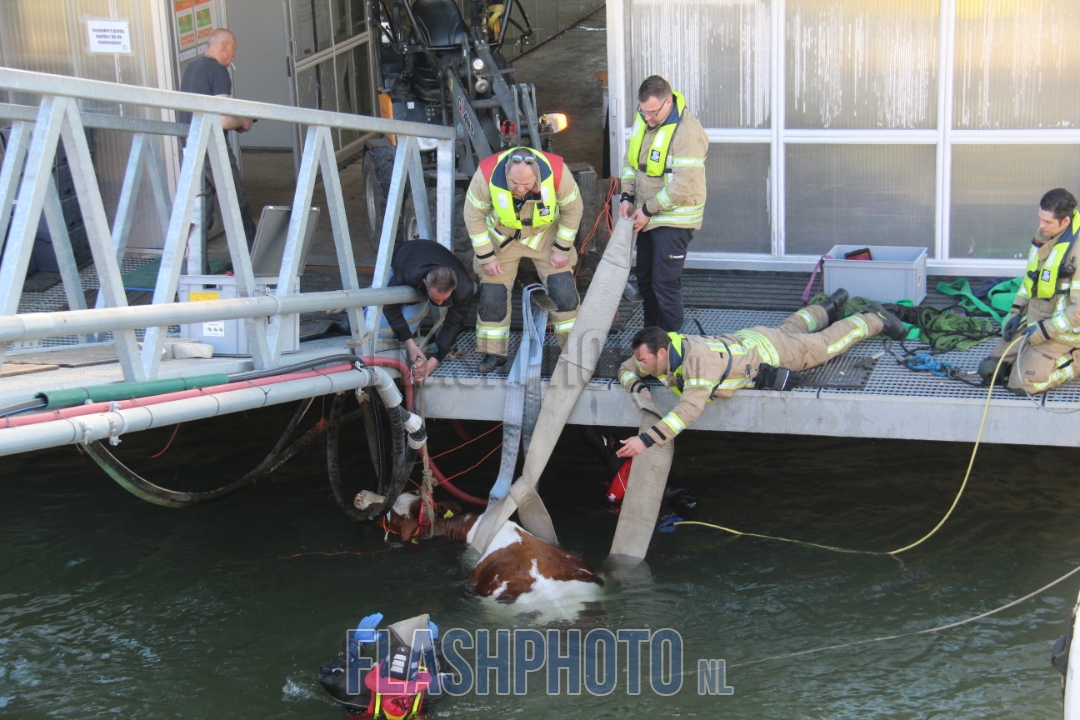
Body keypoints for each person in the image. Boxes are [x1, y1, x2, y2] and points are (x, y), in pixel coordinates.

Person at [614, 290, 908, 458]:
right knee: (791, 328)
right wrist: (637, 386)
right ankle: (829, 306)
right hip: (751, 339)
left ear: (661, 355)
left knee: (826, 345)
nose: (640, 364)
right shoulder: (667, 347)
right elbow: (626, 368)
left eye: (644, 361)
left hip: (775, 353)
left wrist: (646, 440)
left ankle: (871, 318)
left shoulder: (698, 366)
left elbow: (689, 409)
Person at [464, 146, 583, 373]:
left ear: (536, 174)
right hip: (504, 237)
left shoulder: (557, 172)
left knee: (563, 291)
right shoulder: (486, 175)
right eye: (514, 184)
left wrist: (562, 248)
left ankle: (573, 354)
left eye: (526, 185)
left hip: (544, 235)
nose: (520, 189)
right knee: (493, 295)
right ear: (506, 172)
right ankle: (493, 353)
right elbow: (473, 216)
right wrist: (486, 256)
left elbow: (573, 210)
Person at [618, 75, 709, 333]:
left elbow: (685, 185)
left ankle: (670, 349)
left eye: (653, 113)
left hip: (674, 218)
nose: (648, 118)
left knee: (665, 284)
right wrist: (627, 196)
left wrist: (647, 209)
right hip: (648, 214)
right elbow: (630, 162)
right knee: (645, 281)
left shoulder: (688, 133)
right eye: (643, 111)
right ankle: (651, 342)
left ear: (668, 102)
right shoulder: (645, 119)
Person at [978, 188, 1080, 395]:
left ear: (1065, 223)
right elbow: (1029, 282)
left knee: (1022, 384)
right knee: (991, 371)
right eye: (1040, 219)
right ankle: (1030, 356)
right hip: (1036, 319)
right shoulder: (1044, 238)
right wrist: (1016, 313)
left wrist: (1046, 331)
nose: (1041, 226)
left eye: (1048, 222)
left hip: (1064, 331)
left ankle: (1075, 361)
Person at [178, 28, 257, 250]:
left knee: (201, 211)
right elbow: (222, 120)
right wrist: (243, 121)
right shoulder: (219, 71)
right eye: (233, 50)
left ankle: (199, 270)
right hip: (213, 149)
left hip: (191, 147)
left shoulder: (191, 68)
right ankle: (251, 263)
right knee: (237, 203)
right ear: (224, 47)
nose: (233, 56)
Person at [383, 239, 474, 382]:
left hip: (431, 255)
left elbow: (454, 323)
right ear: (425, 283)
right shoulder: (408, 273)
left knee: (409, 325)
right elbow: (388, 307)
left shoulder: (465, 287)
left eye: (444, 299)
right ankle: (350, 324)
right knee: (382, 328)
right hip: (403, 255)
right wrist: (410, 344)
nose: (439, 303)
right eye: (435, 298)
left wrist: (435, 360)